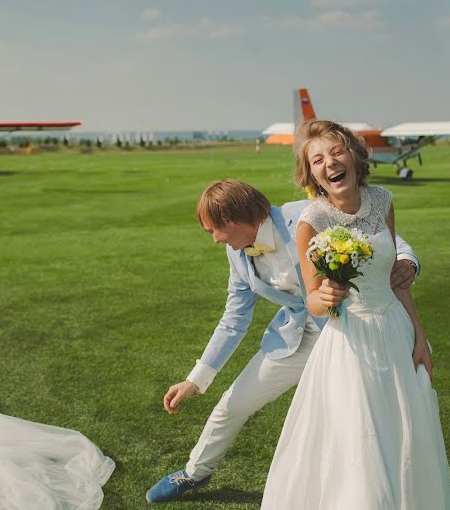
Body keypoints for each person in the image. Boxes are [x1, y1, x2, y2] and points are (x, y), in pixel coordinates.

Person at [146, 179, 420, 503]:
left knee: (352, 421)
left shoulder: (306, 214)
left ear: (231, 221)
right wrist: (195, 380)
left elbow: (377, 233)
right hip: (294, 339)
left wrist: (407, 260)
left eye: (212, 231)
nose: (215, 239)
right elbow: (234, 320)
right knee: (231, 405)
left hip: (348, 335)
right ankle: (195, 473)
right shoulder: (237, 254)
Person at [261, 120, 450, 509]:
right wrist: (327, 295)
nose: (330, 163)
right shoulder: (311, 222)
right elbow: (313, 300)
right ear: (312, 173)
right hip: (351, 345)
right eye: (318, 159)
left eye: (336, 152)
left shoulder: (382, 201)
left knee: (406, 437)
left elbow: (396, 279)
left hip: (397, 336)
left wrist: (420, 338)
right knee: (360, 447)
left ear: (353, 155)